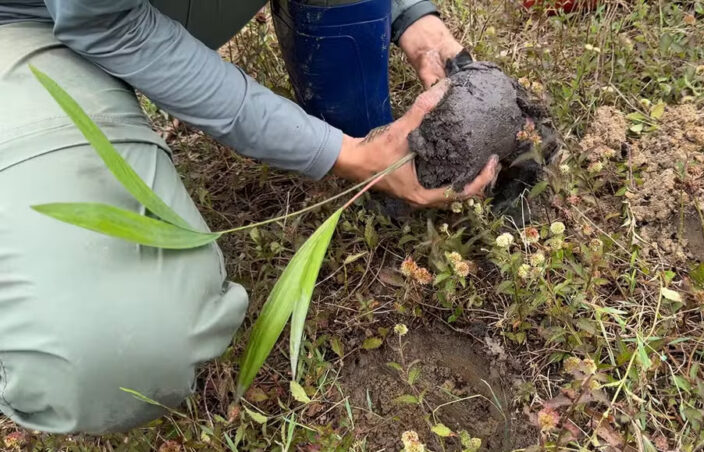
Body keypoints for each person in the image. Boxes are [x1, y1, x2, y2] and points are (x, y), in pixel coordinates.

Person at [0, 0, 497, 435]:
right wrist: (338, 153)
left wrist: (409, 15)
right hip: (25, 22)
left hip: (140, 12)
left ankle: (374, 158)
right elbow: (107, 23)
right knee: (111, 355)